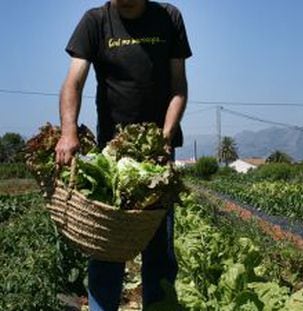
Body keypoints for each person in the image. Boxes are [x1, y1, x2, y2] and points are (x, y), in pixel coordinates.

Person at [54, 0, 192, 309]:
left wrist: (164, 136)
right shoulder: (96, 21)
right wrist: (68, 131)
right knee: (106, 245)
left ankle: (159, 305)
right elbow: (73, 81)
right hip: (111, 153)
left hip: (157, 154)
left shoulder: (168, 17)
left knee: (158, 245)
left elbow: (179, 87)